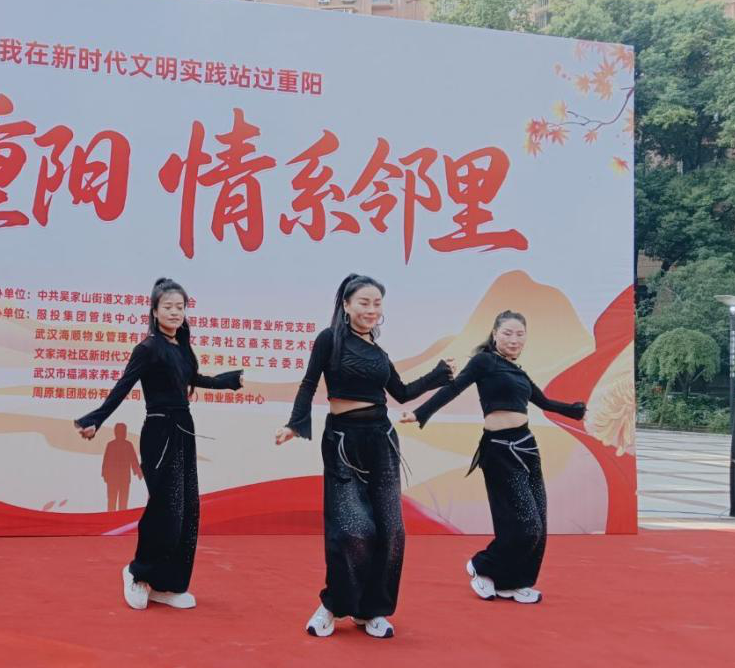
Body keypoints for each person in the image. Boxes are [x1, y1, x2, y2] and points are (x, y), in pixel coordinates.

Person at [276, 273, 453, 640]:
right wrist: (295, 423)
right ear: (346, 305)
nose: (371, 310)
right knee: (352, 530)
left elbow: (401, 392)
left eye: (377, 303)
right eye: (364, 302)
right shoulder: (329, 340)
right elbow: (309, 383)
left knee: (392, 530)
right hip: (343, 439)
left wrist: (438, 375)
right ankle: (332, 605)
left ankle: (372, 609)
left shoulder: (377, 351)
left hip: (381, 439)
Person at [75, 277, 244, 611]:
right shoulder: (148, 348)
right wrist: (96, 418)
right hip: (159, 432)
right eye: (168, 307)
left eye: (180, 307)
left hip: (184, 430)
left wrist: (230, 381)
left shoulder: (181, 346)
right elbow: (123, 386)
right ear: (154, 311)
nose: (175, 312)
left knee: (187, 510)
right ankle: (137, 573)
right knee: (165, 508)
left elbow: (193, 379)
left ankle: (168, 584)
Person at [401, 310, 586, 605]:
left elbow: (544, 402)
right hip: (499, 449)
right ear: (495, 334)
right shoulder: (484, 362)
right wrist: (420, 413)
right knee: (525, 525)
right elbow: (454, 388)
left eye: (520, 334)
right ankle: (482, 565)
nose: (514, 339)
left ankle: (514, 582)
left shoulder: (519, 373)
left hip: (527, 448)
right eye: (508, 333)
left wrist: (576, 411)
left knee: (539, 525)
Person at [102, 422, 142, 512]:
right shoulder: (119, 445)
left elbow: (133, 460)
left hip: (118, 479)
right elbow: (106, 461)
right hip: (118, 479)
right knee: (116, 502)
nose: (124, 433)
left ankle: (115, 518)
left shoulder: (120, 445)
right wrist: (105, 474)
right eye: (123, 431)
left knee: (117, 502)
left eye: (124, 431)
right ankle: (115, 518)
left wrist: (139, 472)